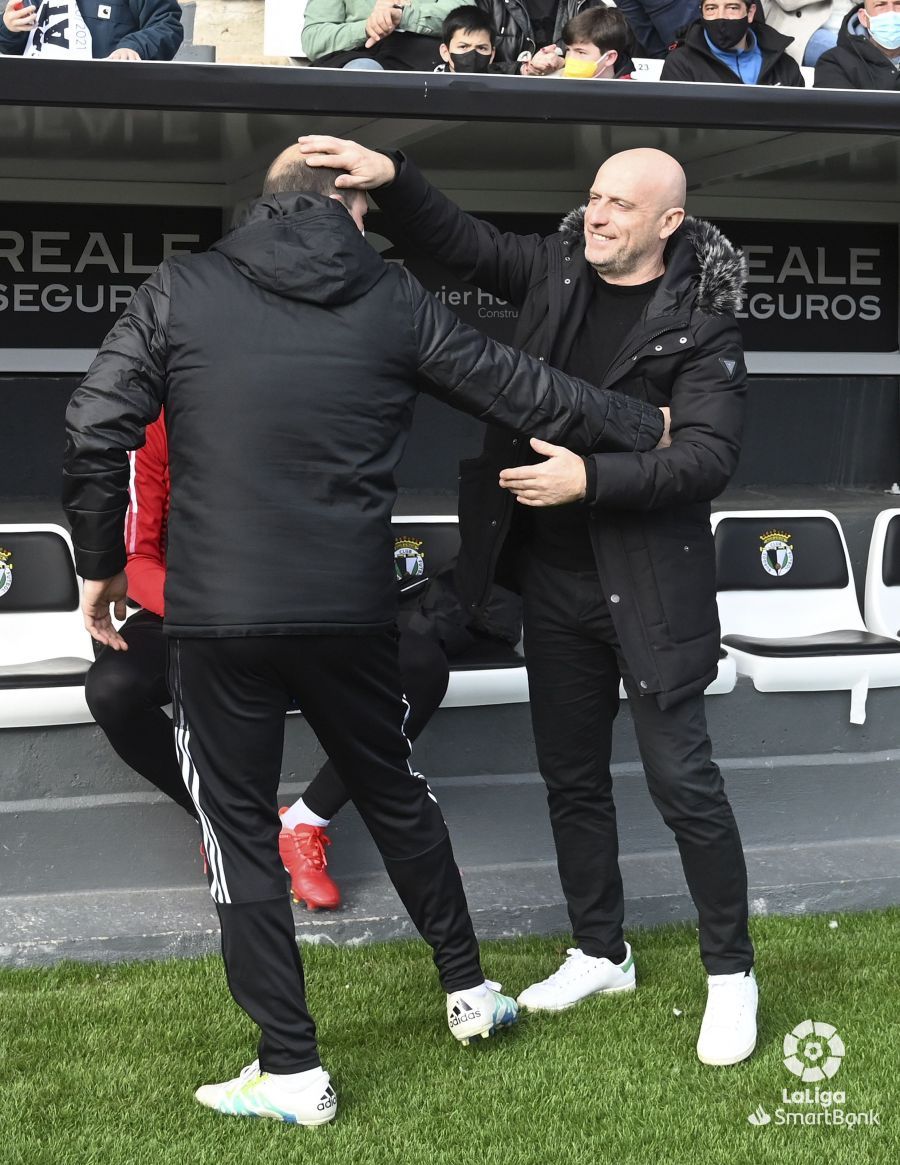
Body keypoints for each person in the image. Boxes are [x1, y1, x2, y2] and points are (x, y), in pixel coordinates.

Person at [63, 145, 666, 1125]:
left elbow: (95, 430)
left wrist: (97, 569)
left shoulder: (184, 285)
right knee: (393, 788)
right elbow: (523, 387)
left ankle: (293, 1071)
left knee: (238, 836)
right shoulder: (387, 298)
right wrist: (650, 426)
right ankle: (469, 991)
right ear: (347, 214)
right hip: (347, 610)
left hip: (221, 617)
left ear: (265, 207)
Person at [298, 133, 759, 1068]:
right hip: (551, 587)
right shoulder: (554, 268)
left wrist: (592, 477)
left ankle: (731, 975)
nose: (596, 214)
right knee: (573, 779)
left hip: (652, 595)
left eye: (620, 204)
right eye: (593, 196)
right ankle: (601, 949)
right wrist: (395, 179)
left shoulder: (702, 323)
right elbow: (464, 245)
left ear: (669, 223)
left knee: (686, 788)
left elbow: (706, 459)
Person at [87, 411, 520, 911]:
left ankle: (304, 822)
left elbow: (350, 529)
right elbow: (137, 560)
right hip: (191, 608)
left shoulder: (310, 399)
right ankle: (229, 823)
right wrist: (214, 612)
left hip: (307, 605)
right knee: (112, 688)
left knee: (420, 662)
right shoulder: (159, 421)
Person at [660, 0, 805, 83]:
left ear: (750, 13)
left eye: (732, 7)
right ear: (702, 12)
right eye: (711, 8)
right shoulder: (681, 65)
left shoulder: (783, 65)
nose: (721, 17)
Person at [301, 0, 459, 70]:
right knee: (363, 71)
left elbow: (467, 16)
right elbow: (314, 39)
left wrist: (404, 15)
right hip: (360, 56)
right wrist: (368, 27)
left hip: (426, 57)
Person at [0, 0, 183, 60]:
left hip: (108, 104)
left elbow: (166, 24)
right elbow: (12, 50)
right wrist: (9, 28)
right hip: (37, 105)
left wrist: (134, 48)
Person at [473, 0, 609, 74]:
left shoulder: (587, 4)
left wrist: (565, 63)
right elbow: (469, 65)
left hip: (570, 99)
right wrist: (523, 69)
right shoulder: (489, 3)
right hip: (504, 99)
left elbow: (613, 61)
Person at [526, 6, 637, 76]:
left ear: (609, 57)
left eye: (581, 52)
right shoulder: (553, 84)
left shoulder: (633, 94)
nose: (570, 59)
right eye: (568, 50)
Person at [814, 0, 900, 87]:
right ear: (864, 18)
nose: (891, 12)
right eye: (880, 5)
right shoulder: (835, 63)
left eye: (898, 4)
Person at [435, 4, 500, 70]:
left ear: (492, 55)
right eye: (463, 47)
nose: (473, 57)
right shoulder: (428, 80)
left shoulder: (507, 79)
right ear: (445, 52)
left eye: (481, 48)